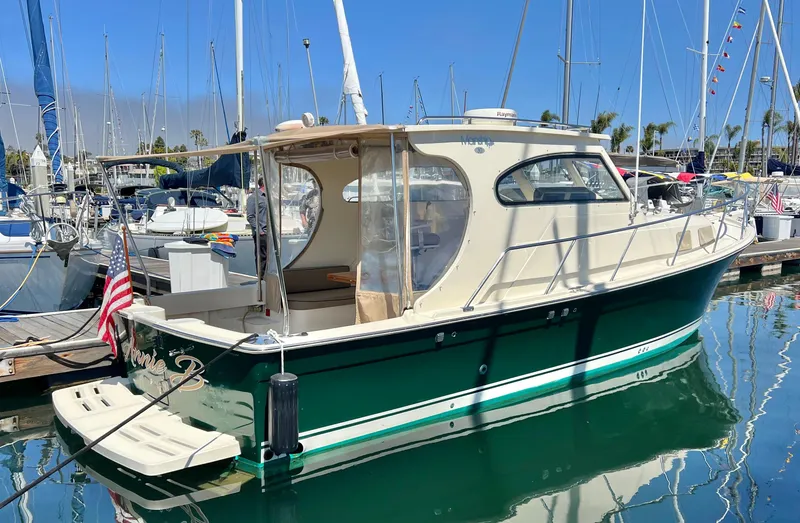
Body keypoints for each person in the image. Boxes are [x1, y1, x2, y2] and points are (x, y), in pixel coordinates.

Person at [246, 178, 270, 278]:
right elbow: (250, 216)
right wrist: (259, 231)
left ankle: (268, 277)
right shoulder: (253, 198)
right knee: (262, 257)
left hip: (270, 232)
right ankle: (261, 278)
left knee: (269, 257)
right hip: (262, 232)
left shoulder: (268, 197)